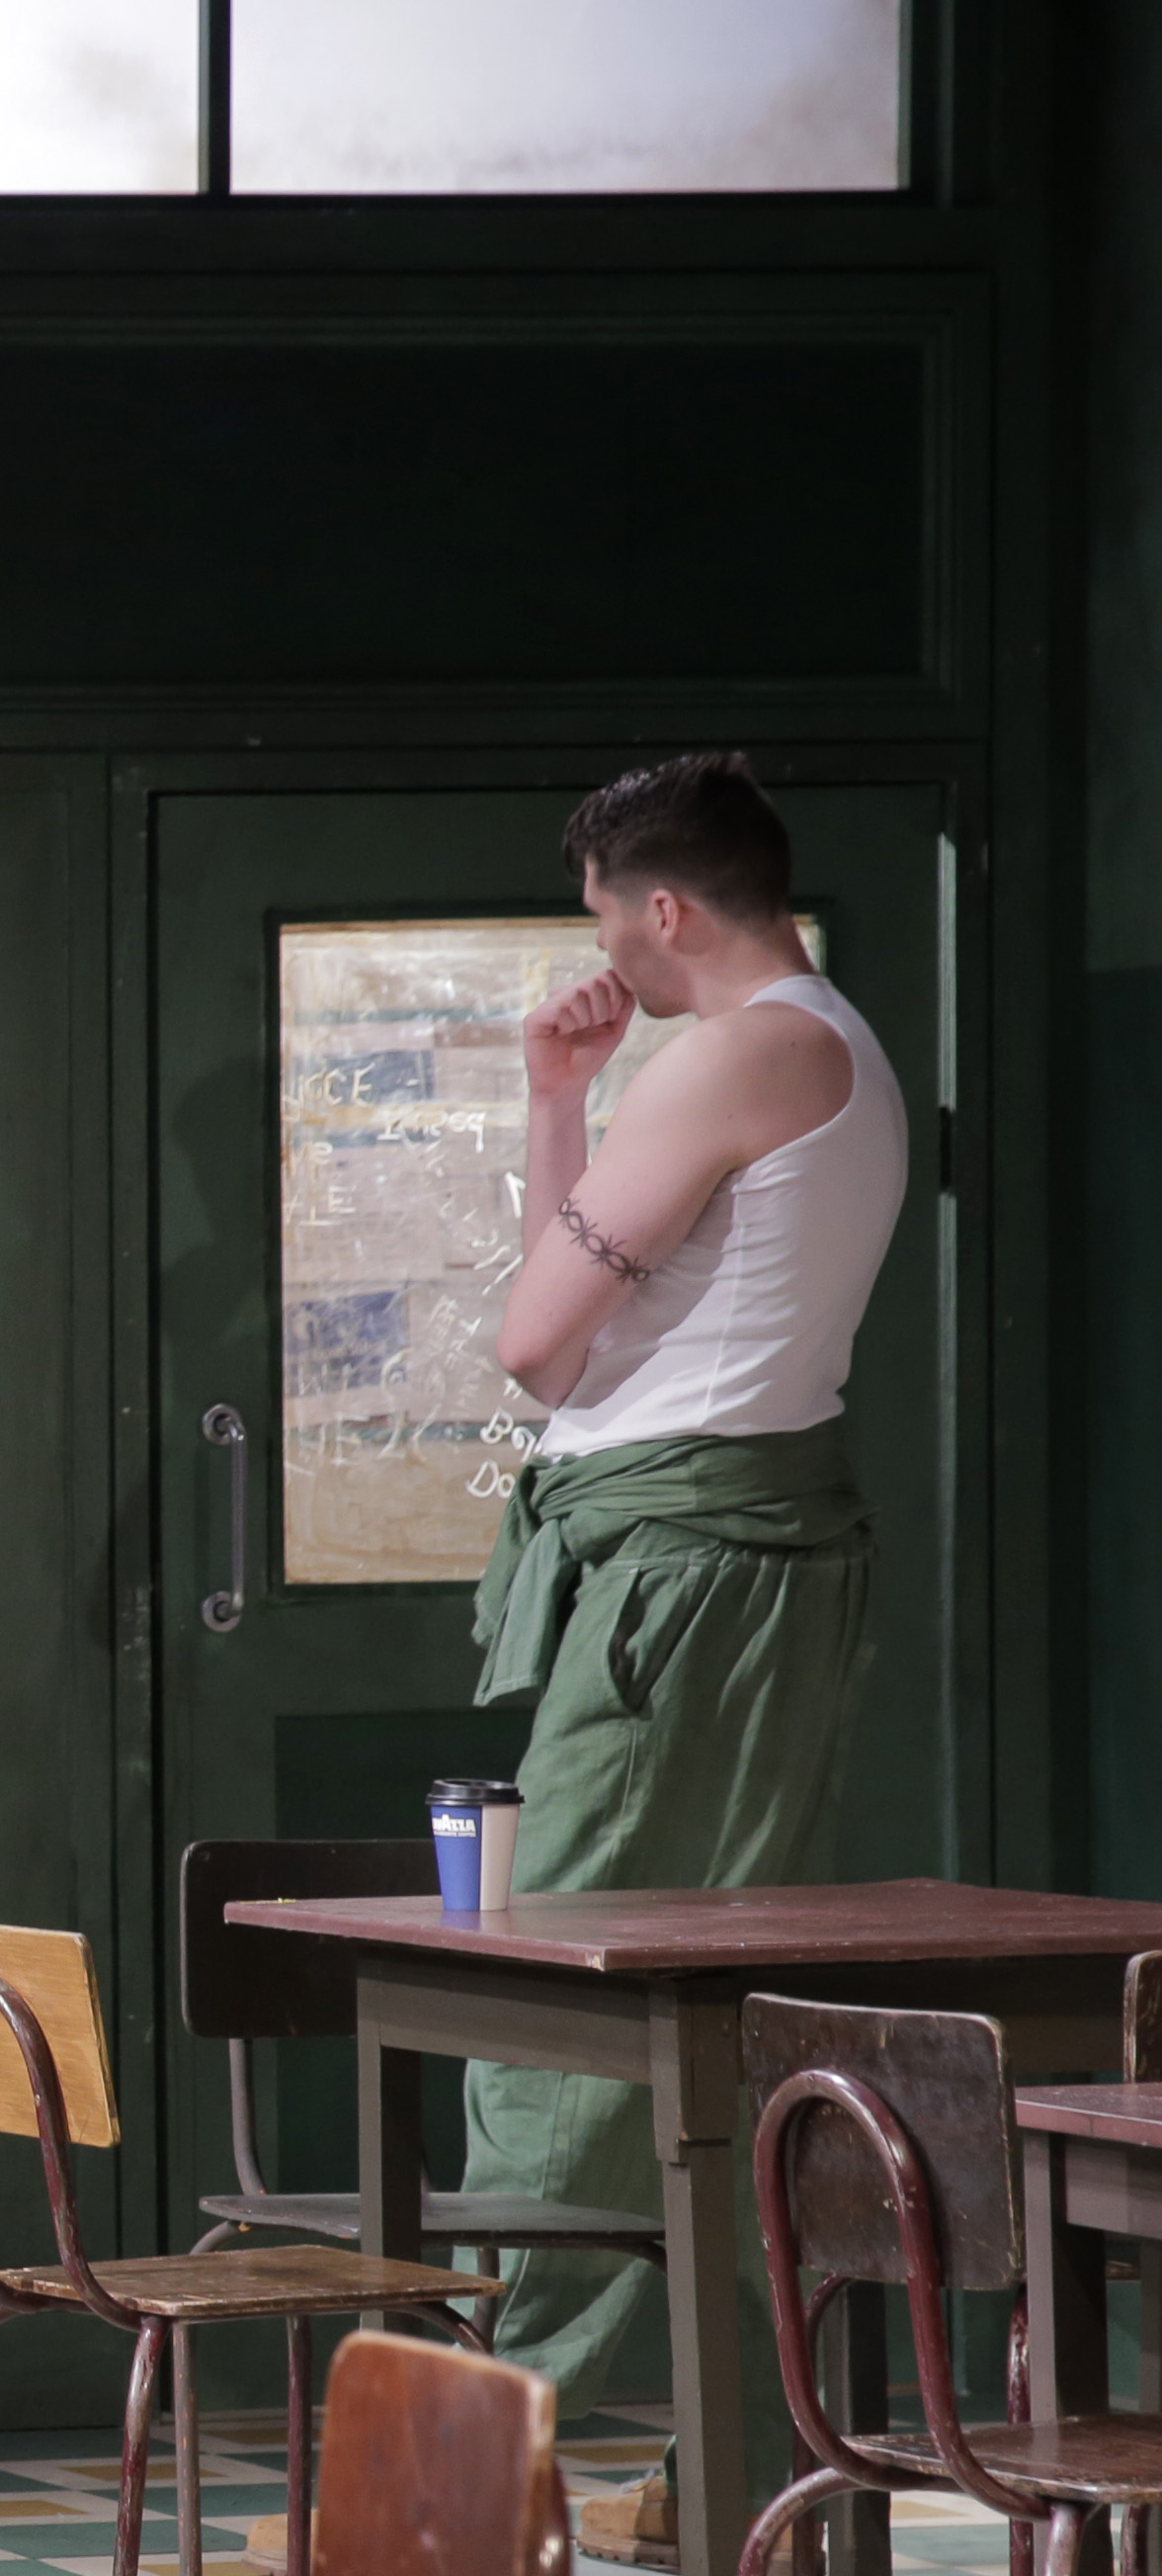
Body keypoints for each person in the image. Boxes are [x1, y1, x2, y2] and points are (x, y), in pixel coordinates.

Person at [463, 751, 902, 2410]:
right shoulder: (822, 1042)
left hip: (685, 1565)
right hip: (718, 1548)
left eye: (605, 921)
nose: (605, 959)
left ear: (663, 907)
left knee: (573, 1979)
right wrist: (556, 1091)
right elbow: (574, 1366)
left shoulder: (742, 1051)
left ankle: (490, 2436)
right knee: (688, 1988)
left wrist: (595, 1102)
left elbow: (528, 1345)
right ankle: (718, 2423)